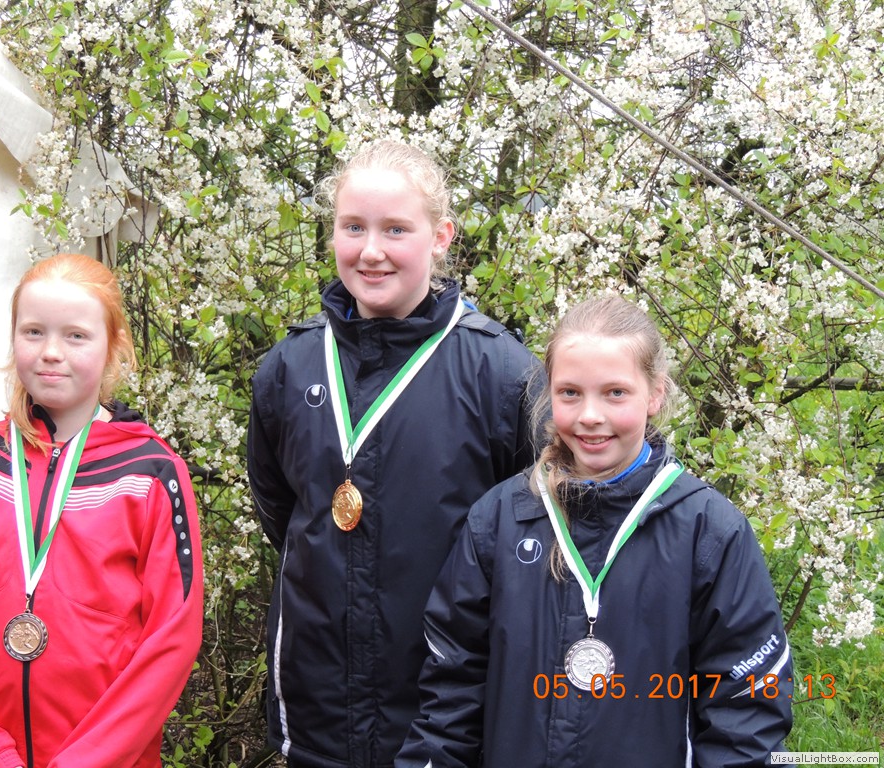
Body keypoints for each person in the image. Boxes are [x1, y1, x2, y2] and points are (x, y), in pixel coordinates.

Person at [395, 294, 793, 768]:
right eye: (570, 393)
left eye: (615, 393)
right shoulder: (497, 521)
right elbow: (450, 697)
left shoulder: (710, 533)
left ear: (655, 394)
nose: (589, 415)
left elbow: (746, 714)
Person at [246, 139, 542, 767]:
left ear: (441, 237)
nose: (371, 251)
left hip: (446, 717)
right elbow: (282, 512)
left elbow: (536, 541)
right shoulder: (289, 368)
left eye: (396, 229)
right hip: (318, 708)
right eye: (353, 227)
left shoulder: (501, 374)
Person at [0, 253, 205, 768]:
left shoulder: (150, 473)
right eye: (33, 332)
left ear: (114, 347)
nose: (51, 352)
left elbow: (170, 639)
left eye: (76, 336)